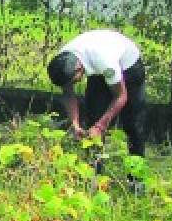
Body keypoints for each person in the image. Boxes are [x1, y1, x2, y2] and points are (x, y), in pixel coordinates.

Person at [46, 29, 147, 160]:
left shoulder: (105, 62)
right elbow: (68, 94)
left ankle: (136, 176)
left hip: (128, 66)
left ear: (79, 69)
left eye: (73, 81)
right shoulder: (62, 62)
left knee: (132, 123)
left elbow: (121, 96)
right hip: (97, 66)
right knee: (93, 117)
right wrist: (74, 125)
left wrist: (100, 126)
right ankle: (95, 173)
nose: (73, 84)